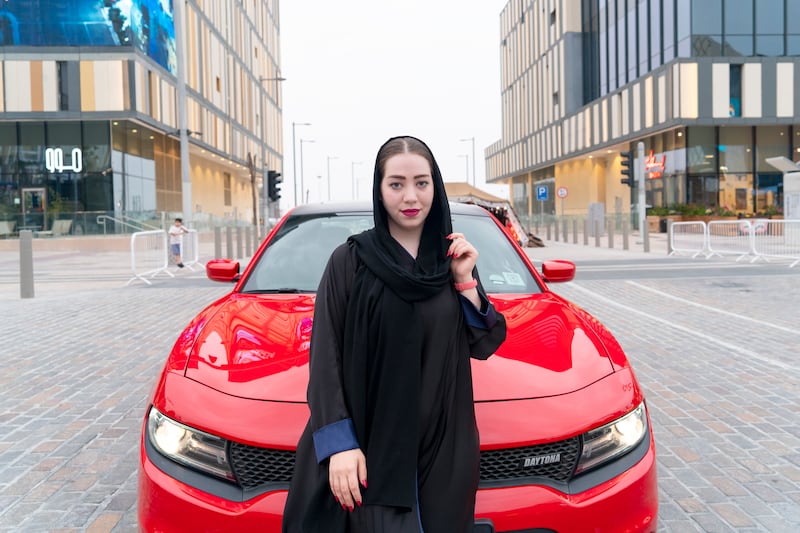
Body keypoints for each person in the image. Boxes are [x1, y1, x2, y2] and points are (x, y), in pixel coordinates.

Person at [282, 136, 507, 533]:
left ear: (435, 186)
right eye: (397, 183)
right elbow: (325, 358)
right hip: (370, 443)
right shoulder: (350, 261)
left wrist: (466, 283)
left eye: (421, 182)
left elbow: (485, 342)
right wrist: (339, 445)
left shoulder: (450, 259)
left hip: (443, 445)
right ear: (379, 188)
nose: (411, 196)